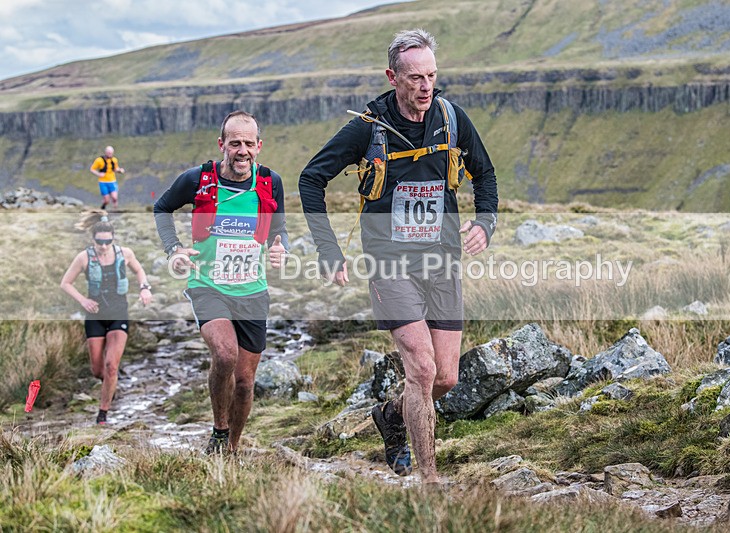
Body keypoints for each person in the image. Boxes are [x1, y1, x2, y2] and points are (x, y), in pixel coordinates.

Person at [298, 29, 498, 485]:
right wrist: (329, 249)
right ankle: (429, 480)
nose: (426, 87)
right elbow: (311, 179)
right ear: (393, 77)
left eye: (431, 76)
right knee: (422, 368)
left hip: (442, 261)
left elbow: (485, 176)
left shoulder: (451, 118)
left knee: (445, 377)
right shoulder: (367, 127)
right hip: (389, 264)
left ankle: (390, 416)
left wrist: (485, 224)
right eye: (414, 78)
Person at [154, 110, 288, 455]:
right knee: (225, 354)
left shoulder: (270, 182)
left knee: (244, 382)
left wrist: (279, 247)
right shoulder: (199, 179)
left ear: (259, 146)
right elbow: (161, 207)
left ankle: (231, 447)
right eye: (234, 143)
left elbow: (278, 229)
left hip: (253, 291)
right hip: (208, 285)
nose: (241, 151)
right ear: (222, 145)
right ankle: (218, 429)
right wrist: (173, 249)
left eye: (248, 144)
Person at [60, 210, 153, 425]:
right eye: (100, 242)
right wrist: (83, 300)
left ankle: (102, 414)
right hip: (95, 315)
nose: (103, 246)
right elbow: (65, 283)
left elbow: (139, 271)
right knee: (97, 370)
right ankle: (110, 385)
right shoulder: (83, 257)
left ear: (113, 239)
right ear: (92, 239)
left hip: (119, 313)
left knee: (111, 365)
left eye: (107, 242)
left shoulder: (125, 253)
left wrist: (144, 288)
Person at [91, 146, 126, 210]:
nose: (110, 154)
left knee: (114, 198)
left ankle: (115, 209)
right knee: (107, 200)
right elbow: (92, 169)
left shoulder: (114, 160)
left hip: (112, 181)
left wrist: (120, 170)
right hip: (103, 182)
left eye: (111, 153)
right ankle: (103, 207)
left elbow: (115, 169)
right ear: (106, 152)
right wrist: (99, 174)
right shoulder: (99, 160)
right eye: (108, 152)